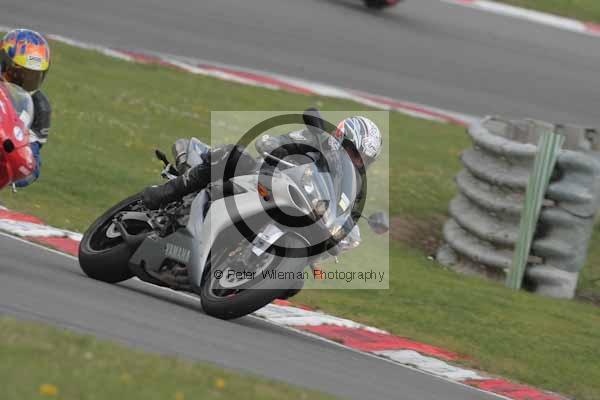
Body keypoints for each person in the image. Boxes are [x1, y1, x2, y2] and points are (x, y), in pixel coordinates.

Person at [141, 115, 383, 210]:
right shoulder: (314, 138)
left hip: (294, 208)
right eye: (355, 153)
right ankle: (167, 192)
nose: (357, 161)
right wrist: (274, 145)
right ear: (340, 136)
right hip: (262, 177)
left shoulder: (352, 185)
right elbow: (274, 142)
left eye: (363, 159)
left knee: (293, 283)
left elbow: (343, 213)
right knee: (232, 154)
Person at [0, 29, 52, 187]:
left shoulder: (40, 108)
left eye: (32, 78)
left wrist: (15, 173)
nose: (22, 84)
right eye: (17, 75)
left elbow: (31, 161)